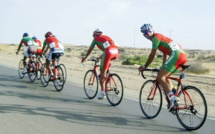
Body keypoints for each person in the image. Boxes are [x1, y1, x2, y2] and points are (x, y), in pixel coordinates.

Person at [138, 24, 187, 111]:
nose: (148, 34)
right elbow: (165, 53)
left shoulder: (155, 38)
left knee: (160, 77)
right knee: (165, 76)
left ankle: (172, 98)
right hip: (182, 55)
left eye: (149, 31)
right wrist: (163, 66)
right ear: (143, 35)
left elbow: (152, 55)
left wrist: (145, 66)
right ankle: (173, 91)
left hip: (176, 55)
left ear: (153, 30)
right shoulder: (161, 38)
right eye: (145, 33)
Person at [81, 29, 119, 99]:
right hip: (116, 51)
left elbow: (90, 49)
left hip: (108, 52)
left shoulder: (95, 39)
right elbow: (108, 48)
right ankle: (107, 79)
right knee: (106, 68)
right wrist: (99, 57)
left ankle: (102, 93)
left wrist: (85, 58)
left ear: (94, 35)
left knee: (102, 73)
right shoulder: (106, 37)